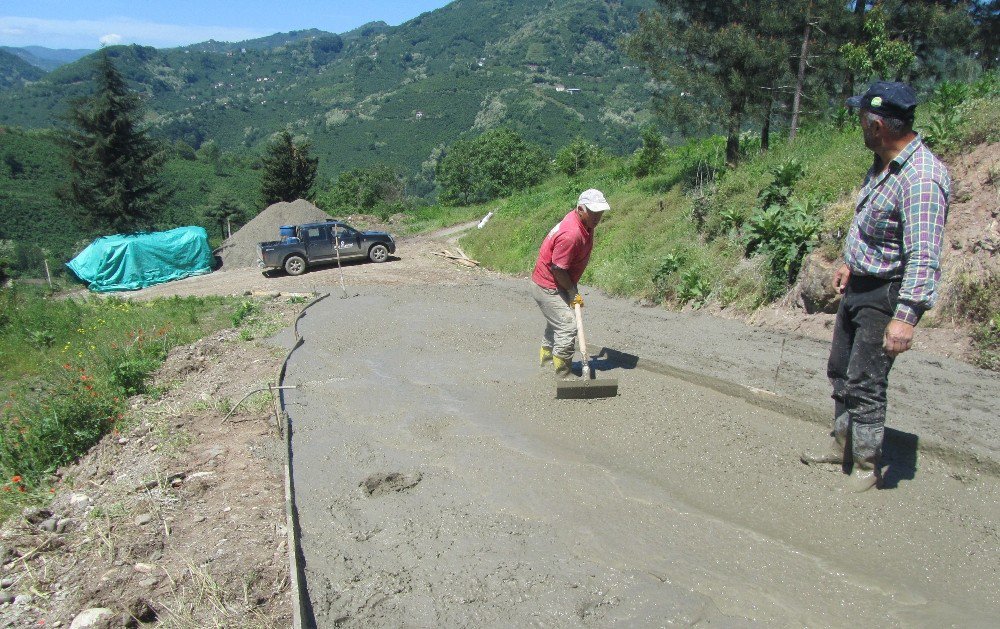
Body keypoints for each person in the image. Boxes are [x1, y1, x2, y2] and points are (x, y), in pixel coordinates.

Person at [801, 81, 950, 492]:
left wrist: (906, 318)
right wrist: (850, 261)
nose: (859, 128)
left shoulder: (921, 179)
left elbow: (923, 255)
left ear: (877, 124)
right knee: (840, 371)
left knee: (866, 380)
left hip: (886, 294)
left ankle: (867, 466)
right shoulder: (883, 164)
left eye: (862, 120)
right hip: (860, 286)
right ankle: (840, 446)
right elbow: (875, 225)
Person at [531, 189, 610, 377]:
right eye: (593, 212)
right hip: (548, 285)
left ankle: (547, 362)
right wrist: (572, 291)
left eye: (600, 212)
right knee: (567, 326)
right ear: (580, 209)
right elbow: (557, 269)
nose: (597, 217)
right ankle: (562, 373)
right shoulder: (571, 234)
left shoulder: (584, 223)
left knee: (557, 323)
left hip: (559, 281)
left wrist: (571, 288)